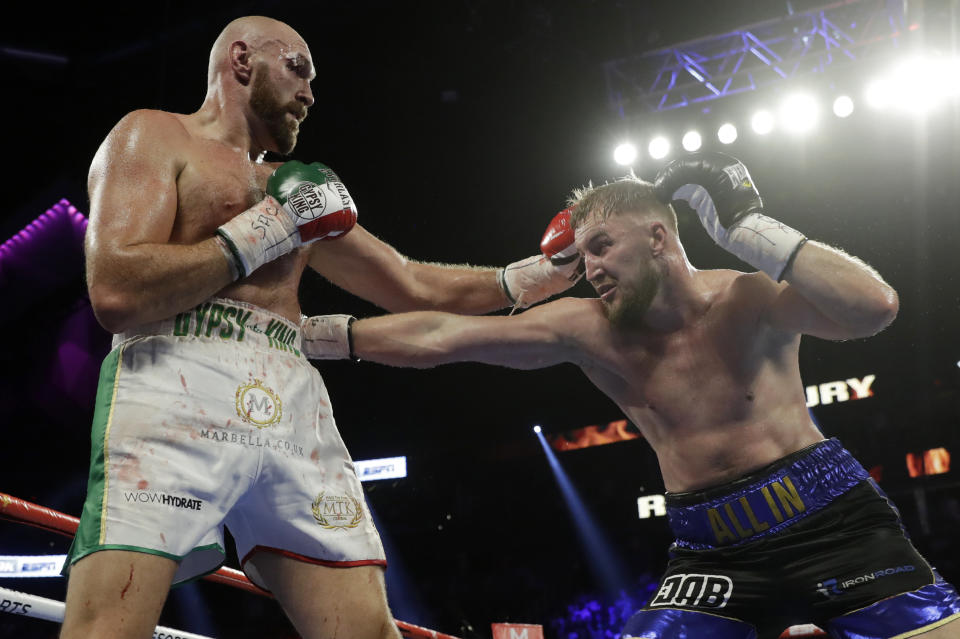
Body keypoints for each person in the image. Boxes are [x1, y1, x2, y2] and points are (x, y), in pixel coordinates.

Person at [62, 15, 580, 639]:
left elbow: (408, 281)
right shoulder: (154, 135)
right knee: (109, 628)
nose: (310, 93)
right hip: (174, 379)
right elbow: (117, 291)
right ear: (242, 60)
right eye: (298, 68)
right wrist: (269, 230)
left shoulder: (297, 189)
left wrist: (525, 280)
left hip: (291, 399)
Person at [306, 152, 960, 638]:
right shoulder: (589, 328)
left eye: (600, 246)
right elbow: (443, 335)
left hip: (834, 522)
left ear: (658, 239)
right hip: (711, 549)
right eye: (579, 256)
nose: (587, 269)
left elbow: (875, 306)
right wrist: (310, 336)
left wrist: (748, 227)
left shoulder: (746, 297)